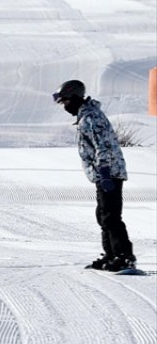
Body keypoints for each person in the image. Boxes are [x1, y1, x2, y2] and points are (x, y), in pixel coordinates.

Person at [53, 80, 135, 272]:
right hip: (102, 174)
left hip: (110, 173)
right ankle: (111, 254)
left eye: (65, 102)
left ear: (74, 98)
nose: (65, 107)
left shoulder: (91, 117)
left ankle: (124, 256)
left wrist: (105, 173)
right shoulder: (85, 117)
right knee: (103, 215)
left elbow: (103, 145)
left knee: (111, 216)